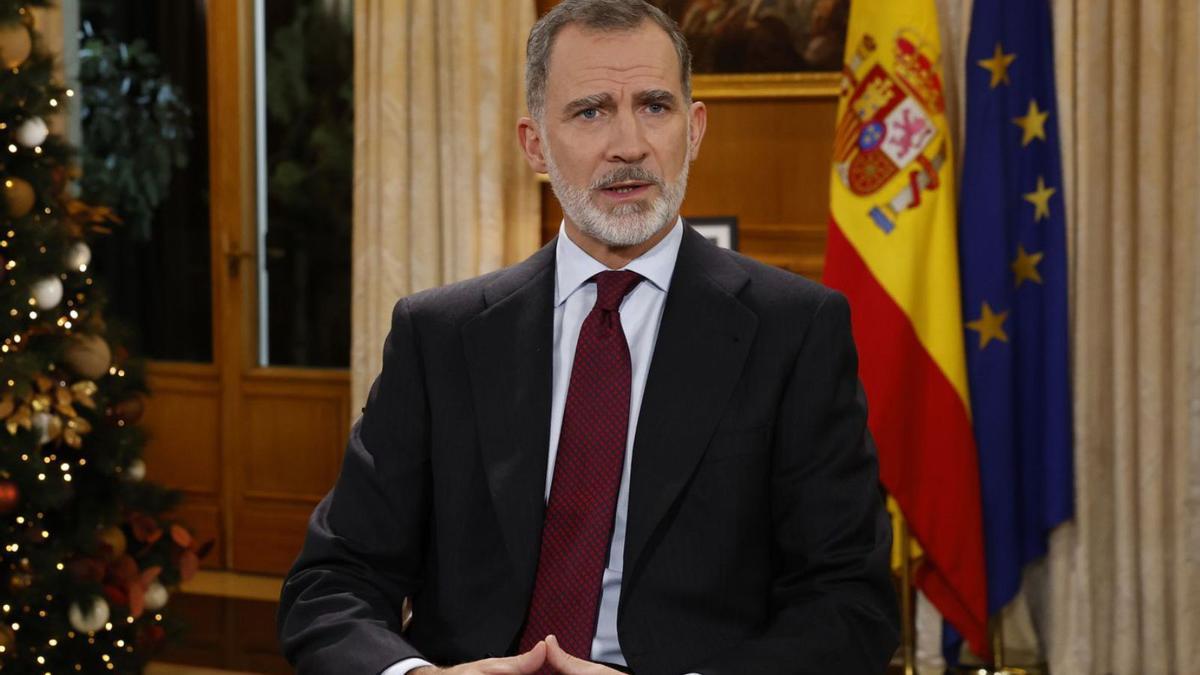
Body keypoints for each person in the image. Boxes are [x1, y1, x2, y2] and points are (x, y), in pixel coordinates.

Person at [277, 1, 898, 673]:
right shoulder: (439, 335)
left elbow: (849, 602)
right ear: (535, 144)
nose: (629, 144)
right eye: (591, 111)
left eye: (655, 106)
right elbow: (330, 583)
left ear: (693, 130)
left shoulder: (795, 330)